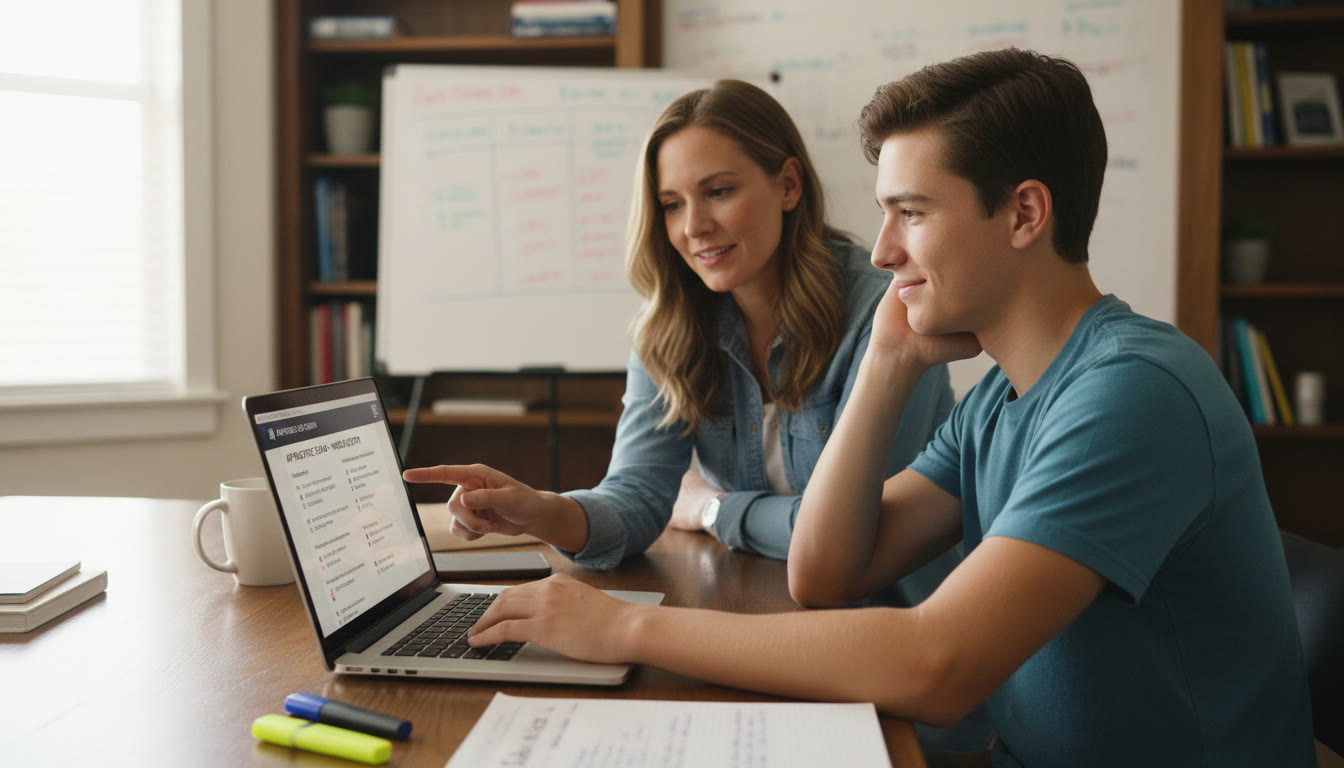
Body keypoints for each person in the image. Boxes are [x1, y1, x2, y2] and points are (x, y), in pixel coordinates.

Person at [447, 49, 1316, 767]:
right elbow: (823, 573)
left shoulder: (1132, 392)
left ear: (1024, 213)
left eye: (912, 213)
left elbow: (938, 665)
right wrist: (889, 360)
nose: (886, 249)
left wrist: (628, 627)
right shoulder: (1005, 401)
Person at [404, 80, 958, 604]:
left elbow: (857, 539)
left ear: (788, 185)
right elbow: (638, 500)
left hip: (895, 617)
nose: (693, 227)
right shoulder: (671, 327)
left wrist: (714, 509)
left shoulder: (886, 316)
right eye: (671, 204)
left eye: (718, 191)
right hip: (757, 603)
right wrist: (540, 510)